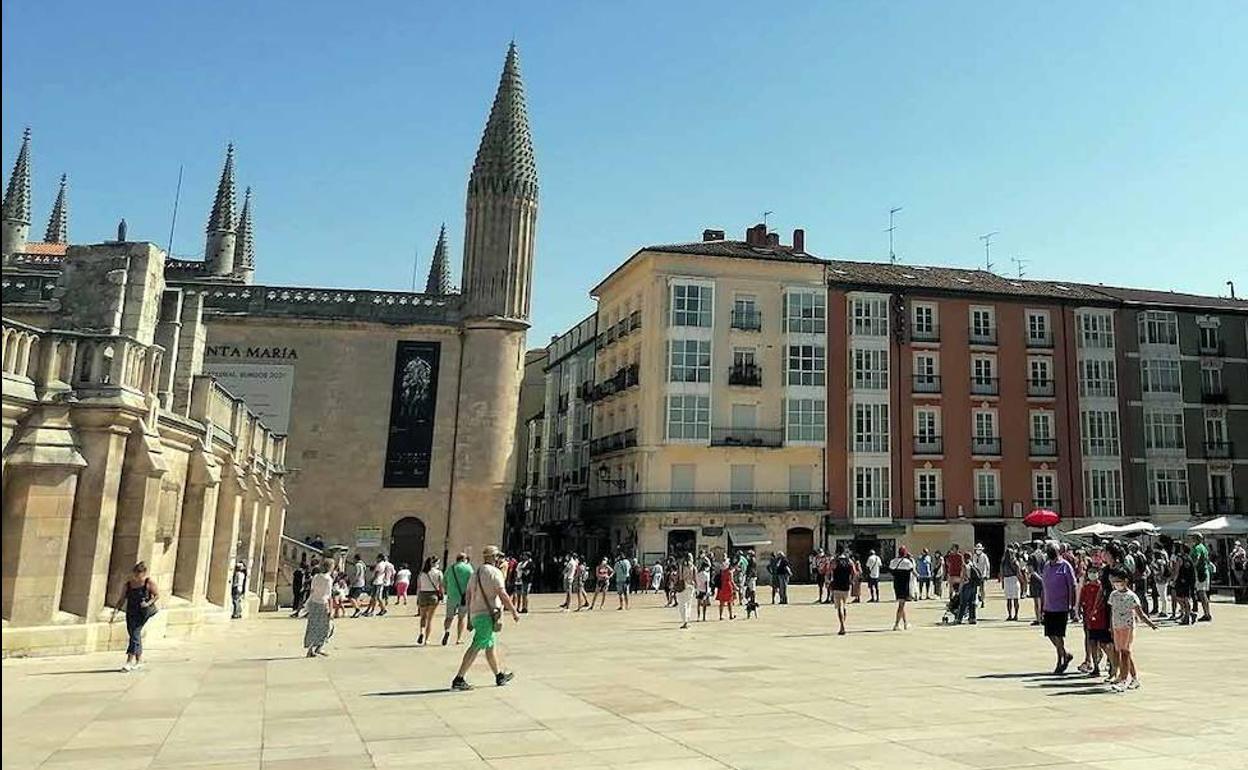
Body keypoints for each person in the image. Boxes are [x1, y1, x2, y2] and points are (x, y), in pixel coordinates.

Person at [450, 545, 520, 691]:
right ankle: (459, 678)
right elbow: (502, 593)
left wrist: (469, 616)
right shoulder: (495, 572)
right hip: (487, 615)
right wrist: (513, 611)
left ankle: (499, 676)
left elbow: (468, 595)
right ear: (493, 557)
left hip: (476, 613)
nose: (499, 560)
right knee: (476, 646)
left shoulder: (475, 572)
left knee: (490, 646)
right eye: (498, 557)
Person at [1107, 567, 1158, 691]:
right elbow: (1112, 612)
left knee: (1125, 652)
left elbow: (1140, 614)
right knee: (1120, 652)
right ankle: (1133, 678)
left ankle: (1124, 679)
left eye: (1119, 581)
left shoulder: (1132, 596)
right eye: (1114, 581)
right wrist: (1111, 627)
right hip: (1116, 626)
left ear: (1125, 581)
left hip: (1127, 627)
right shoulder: (1113, 595)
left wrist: (1150, 624)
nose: (1116, 584)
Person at [112, 562, 158, 672]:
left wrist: (148, 603)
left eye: (140, 573)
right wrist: (116, 610)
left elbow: (157, 595)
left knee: (135, 634)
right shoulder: (128, 584)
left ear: (144, 573)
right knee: (134, 635)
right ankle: (139, 660)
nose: (137, 576)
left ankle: (129, 661)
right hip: (131, 611)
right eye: (136, 573)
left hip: (142, 612)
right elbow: (122, 598)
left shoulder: (148, 582)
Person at [1041, 543, 1078, 674]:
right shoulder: (1046, 566)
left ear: (1058, 552)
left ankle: (1060, 660)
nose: (1050, 553)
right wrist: (1042, 607)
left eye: (1053, 551)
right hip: (1048, 606)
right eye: (1048, 551)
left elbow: (1073, 586)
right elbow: (1044, 587)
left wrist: (1073, 606)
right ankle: (1065, 654)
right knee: (1050, 634)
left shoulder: (1065, 566)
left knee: (1059, 635)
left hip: (1061, 606)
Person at [1077, 563, 1111, 678]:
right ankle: (1095, 666)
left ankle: (1111, 661)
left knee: (1103, 643)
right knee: (1092, 642)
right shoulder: (1085, 587)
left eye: (1094, 572)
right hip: (1089, 619)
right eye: (1090, 572)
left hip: (1100, 618)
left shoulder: (1102, 587)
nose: (1092, 574)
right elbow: (1082, 602)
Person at [303, 561, 334, 657]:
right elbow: (329, 596)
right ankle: (319, 647)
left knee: (313, 626)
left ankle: (310, 649)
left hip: (314, 602)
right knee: (326, 627)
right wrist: (331, 609)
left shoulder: (316, 577)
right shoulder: (328, 579)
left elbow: (312, 590)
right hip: (323, 603)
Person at [442, 553, 473, 645]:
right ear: (464, 559)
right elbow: (472, 582)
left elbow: (444, 581)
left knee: (449, 617)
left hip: (451, 596)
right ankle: (458, 638)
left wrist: (448, 590)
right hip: (464, 597)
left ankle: (447, 630)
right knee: (461, 618)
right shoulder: (468, 569)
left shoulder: (450, 568)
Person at [415, 556, 444, 645]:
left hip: (423, 594)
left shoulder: (422, 574)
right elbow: (441, 586)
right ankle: (426, 639)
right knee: (430, 619)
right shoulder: (438, 573)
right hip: (433, 595)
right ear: (434, 563)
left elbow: (419, 587)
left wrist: (417, 598)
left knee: (423, 617)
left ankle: (421, 632)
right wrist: (442, 596)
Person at [889, 547, 915, 631]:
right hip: (905, 586)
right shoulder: (907, 562)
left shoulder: (893, 561)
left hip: (896, 585)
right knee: (901, 605)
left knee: (901, 604)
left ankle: (905, 623)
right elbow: (913, 571)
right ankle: (896, 624)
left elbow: (891, 571)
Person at [1190, 534, 1214, 622]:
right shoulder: (1203, 547)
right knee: (1202, 594)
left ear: (1196, 539)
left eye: (1193, 538)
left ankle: (1207, 614)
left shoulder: (1197, 547)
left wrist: (1192, 567)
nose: (1191, 539)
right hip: (1204, 571)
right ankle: (1206, 613)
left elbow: (1197, 558)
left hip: (1200, 573)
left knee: (1202, 594)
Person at [830, 551, 853, 635]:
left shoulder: (834, 561)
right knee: (844, 606)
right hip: (846, 586)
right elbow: (854, 572)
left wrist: (829, 581)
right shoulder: (849, 561)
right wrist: (851, 580)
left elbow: (830, 571)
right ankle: (842, 625)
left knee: (839, 607)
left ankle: (842, 626)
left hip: (837, 586)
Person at [954, 551, 980, 625]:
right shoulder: (973, 565)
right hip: (973, 586)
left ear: (964, 558)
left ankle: (959, 619)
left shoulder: (964, 566)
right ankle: (973, 618)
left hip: (966, 585)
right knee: (972, 603)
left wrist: (959, 589)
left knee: (963, 603)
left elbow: (963, 578)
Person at [364, 552, 394, 617]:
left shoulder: (380, 565)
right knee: (374, 597)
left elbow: (376, 574)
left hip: (378, 582)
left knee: (376, 597)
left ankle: (374, 611)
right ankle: (380, 609)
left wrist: (371, 580)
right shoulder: (384, 564)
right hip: (379, 582)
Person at [1000, 546, 1023, 621]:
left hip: (1007, 580)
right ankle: (1016, 615)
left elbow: (1002, 574)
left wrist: (1002, 583)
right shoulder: (1015, 562)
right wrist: (1022, 582)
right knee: (1016, 599)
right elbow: (1018, 573)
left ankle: (1009, 615)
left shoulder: (1003, 563)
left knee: (1008, 600)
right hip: (1014, 579)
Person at [1026, 542, 1046, 626]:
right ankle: (1043, 617)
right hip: (1044, 578)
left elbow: (1031, 570)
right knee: (1043, 600)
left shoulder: (1031, 556)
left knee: (1037, 601)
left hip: (1035, 580)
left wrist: (1039, 579)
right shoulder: (1044, 556)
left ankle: (1038, 619)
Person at [675, 553, 696, 628]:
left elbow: (679, 577)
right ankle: (687, 620)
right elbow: (695, 578)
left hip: (683, 585)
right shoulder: (693, 567)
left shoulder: (681, 566)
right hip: (691, 586)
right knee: (689, 604)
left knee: (682, 604)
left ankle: (685, 621)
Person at [971, 543, 991, 608]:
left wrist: (987, 574)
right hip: (976, 575)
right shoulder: (974, 556)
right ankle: (976, 601)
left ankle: (982, 601)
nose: (978, 550)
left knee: (982, 589)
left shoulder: (984, 556)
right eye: (977, 549)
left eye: (979, 549)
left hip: (982, 575)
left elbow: (987, 566)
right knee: (975, 589)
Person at [695, 557, 711, 621]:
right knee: (704, 605)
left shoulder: (698, 574)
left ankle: (698, 617)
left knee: (698, 604)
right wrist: (707, 592)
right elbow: (706, 584)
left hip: (699, 590)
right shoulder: (706, 574)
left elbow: (696, 582)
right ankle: (704, 617)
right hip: (704, 590)